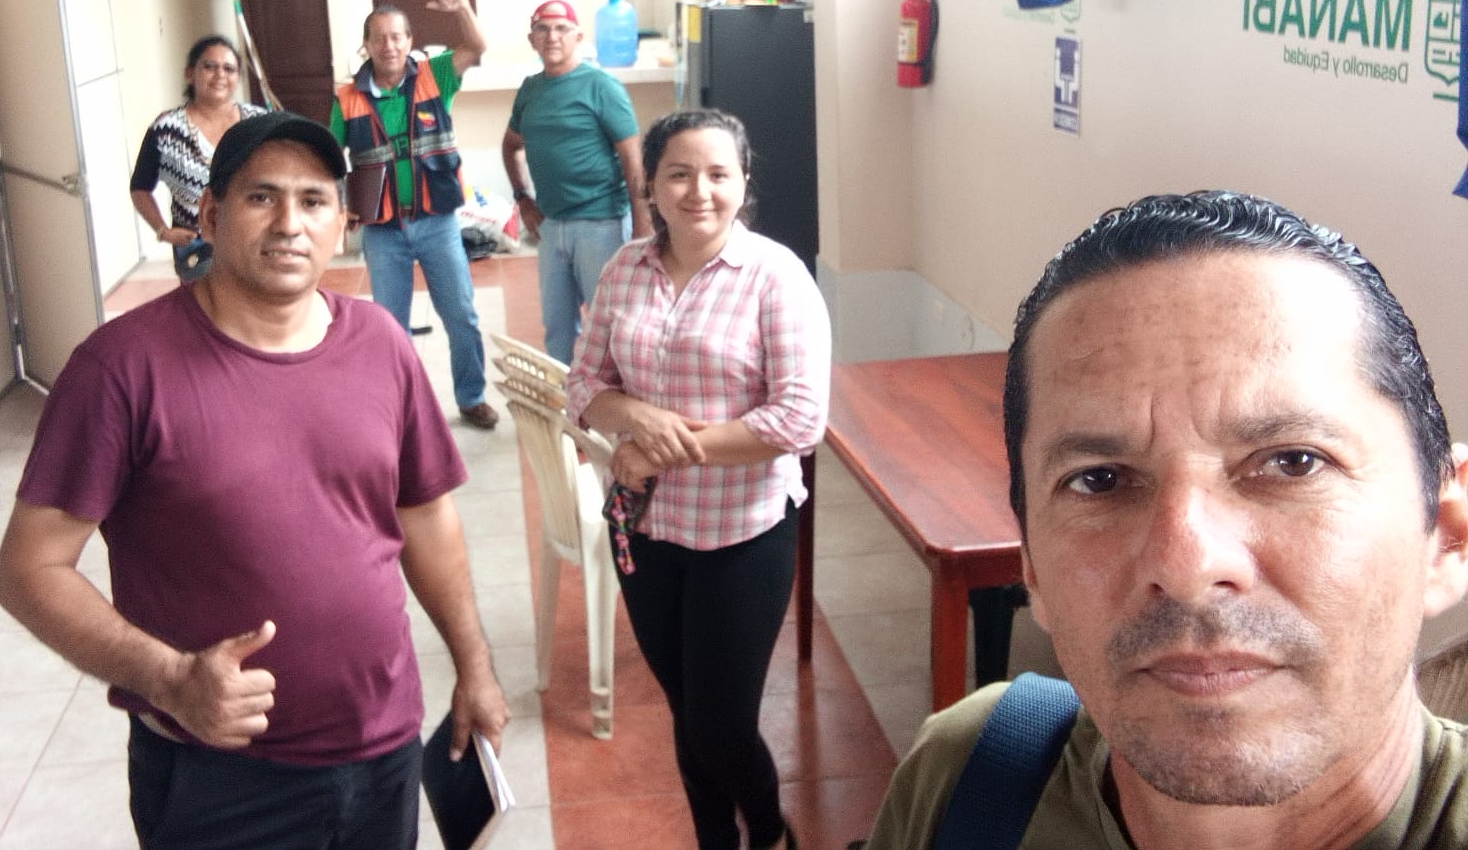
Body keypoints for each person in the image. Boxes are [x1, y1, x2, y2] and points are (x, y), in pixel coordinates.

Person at [863, 190, 1468, 850]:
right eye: (1099, 479)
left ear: (1448, 533)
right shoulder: (967, 780)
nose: (1186, 564)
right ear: (1031, 562)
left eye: (1293, 463)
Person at [0, 111, 509, 850]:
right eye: (262, 197)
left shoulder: (382, 345)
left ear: (343, 223)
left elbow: (426, 517)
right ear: (211, 214)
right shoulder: (121, 369)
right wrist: (169, 679)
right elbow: (28, 570)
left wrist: (474, 666)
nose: (289, 224)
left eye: (313, 200)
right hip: (218, 775)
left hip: (383, 750)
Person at [567, 108, 831, 850]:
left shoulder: (776, 277)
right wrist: (630, 415)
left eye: (718, 174)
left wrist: (664, 451)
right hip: (645, 530)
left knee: (721, 722)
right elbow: (583, 381)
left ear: (743, 182)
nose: (699, 191)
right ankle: (716, 839)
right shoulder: (625, 269)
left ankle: (769, 833)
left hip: (740, 531)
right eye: (678, 173)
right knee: (687, 710)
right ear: (650, 184)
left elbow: (799, 418)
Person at [331, 0, 499, 430]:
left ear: (409, 41)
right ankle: (404, 411)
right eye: (379, 38)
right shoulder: (346, 99)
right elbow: (329, 162)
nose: (388, 46)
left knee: (461, 315)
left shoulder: (434, 75)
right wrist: (340, 207)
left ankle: (472, 398)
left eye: (396, 37)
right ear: (366, 46)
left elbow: (477, 46)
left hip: (436, 222)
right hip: (383, 230)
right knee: (390, 326)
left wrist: (462, 8)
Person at [501, 0, 652, 363]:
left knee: (609, 324)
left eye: (561, 29)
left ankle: (613, 398)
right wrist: (522, 198)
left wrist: (643, 226)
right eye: (542, 29)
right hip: (551, 227)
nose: (552, 36)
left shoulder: (602, 87)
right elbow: (511, 145)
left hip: (601, 224)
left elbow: (632, 158)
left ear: (578, 37)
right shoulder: (530, 90)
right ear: (532, 39)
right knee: (557, 328)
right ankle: (567, 395)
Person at [129, 34, 267, 279]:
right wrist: (162, 231)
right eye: (209, 67)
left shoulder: (260, 123)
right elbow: (140, 188)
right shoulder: (167, 130)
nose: (220, 75)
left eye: (229, 69)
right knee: (210, 302)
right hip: (198, 249)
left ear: (238, 78)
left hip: (256, 240)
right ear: (190, 74)